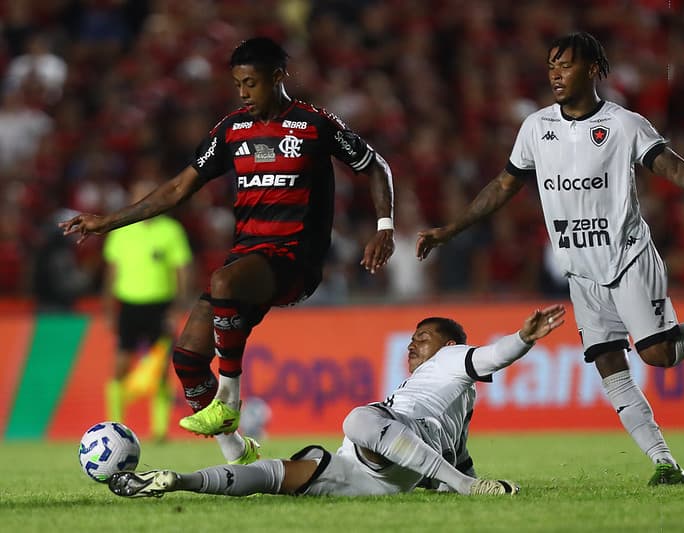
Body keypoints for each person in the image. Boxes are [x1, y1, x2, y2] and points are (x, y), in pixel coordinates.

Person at [416, 32, 684, 485]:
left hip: (627, 257)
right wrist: (450, 229)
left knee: (659, 355)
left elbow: (668, 166)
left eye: (565, 64)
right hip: (579, 270)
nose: (555, 74)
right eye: (551, 65)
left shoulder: (625, 124)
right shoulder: (535, 127)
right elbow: (503, 186)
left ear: (592, 70)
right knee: (609, 362)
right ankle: (665, 464)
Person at [60, 37, 396, 465]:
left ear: (278, 78)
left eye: (251, 83)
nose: (242, 92)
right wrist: (108, 221)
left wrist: (384, 226)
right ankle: (238, 453)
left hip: (295, 261)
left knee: (222, 280)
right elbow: (179, 188)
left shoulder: (314, 125)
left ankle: (230, 398)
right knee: (186, 359)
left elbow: (375, 165)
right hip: (249, 260)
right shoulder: (232, 130)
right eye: (238, 83)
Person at [107, 305, 567, 498]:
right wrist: (458, 480)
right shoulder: (458, 402)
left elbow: (493, 353)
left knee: (357, 418)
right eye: (411, 339)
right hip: (372, 473)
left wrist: (523, 338)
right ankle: (177, 480)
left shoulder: (452, 359)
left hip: (387, 438)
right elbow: (458, 455)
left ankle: (213, 452)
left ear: (448, 345)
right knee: (277, 476)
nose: (413, 346)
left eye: (422, 338)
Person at [102, 177, 193, 441]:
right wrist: (109, 308)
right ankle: (115, 426)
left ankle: (160, 430)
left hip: (160, 306)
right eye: (138, 196)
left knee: (161, 369)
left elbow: (183, 270)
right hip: (129, 305)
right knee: (120, 365)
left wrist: (178, 305)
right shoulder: (121, 231)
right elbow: (111, 272)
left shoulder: (171, 230)